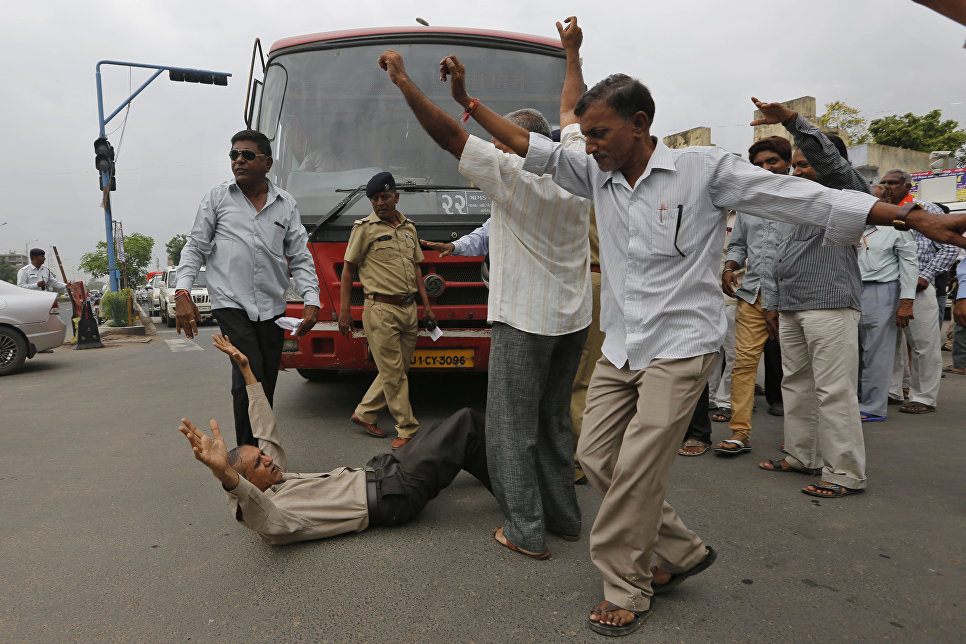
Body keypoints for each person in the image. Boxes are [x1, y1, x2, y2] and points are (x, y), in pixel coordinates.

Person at [487, 17, 966, 633]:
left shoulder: (703, 170)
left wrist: (908, 216)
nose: (592, 144)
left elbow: (803, 199)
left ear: (640, 125)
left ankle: (626, 585)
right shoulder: (595, 171)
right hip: (624, 346)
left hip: (681, 347)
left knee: (634, 470)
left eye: (601, 133)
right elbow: (534, 147)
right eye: (587, 135)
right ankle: (683, 550)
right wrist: (468, 102)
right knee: (596, 455)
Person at [378, 19, 592, 561]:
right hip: (573, 320)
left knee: (509, 429)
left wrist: (405, 83)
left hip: (524, 321)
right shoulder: (579, 161)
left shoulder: (513, 175)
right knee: (553, 424)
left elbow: (449, 136)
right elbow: (572, 107)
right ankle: (565, 519)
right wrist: (571, 53)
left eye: (499, 142)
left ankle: (525, 530)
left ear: (519, 144)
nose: (492, 150)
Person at [178, 334, 491, 544]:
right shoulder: (273, 519)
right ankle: (528, 500)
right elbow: (249, 500)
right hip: (395, 493)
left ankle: (512, 478)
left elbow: (266, 428)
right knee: (465, 424)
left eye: (261, 455)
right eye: (258, 463)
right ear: (247, 481)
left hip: (384, 470)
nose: (267, 458)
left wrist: (246, 370)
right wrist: (223, 473)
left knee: (442, 431)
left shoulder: (278, 480)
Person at [750, 101, 870, 499]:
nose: (797, 171)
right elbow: (772, 252)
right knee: (796, 384)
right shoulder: (793, 201)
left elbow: (832, 166)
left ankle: (845, 473)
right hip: (791, 304)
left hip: (830, 304)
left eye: (804, 164)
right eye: (795, 165)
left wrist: (791, 122)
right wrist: (772, 302)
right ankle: (803, 456)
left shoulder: (848, 193)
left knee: (834, 390)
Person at [176, 130, 321, 447]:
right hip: (231, 304)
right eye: (233, 155)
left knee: (265, 381)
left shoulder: (285, 204)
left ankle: (262, 448)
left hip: (272, 309)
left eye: (247, 155)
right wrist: (182, 292)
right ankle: (246, 458)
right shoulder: (217, 198)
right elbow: (195, 247)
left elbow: (299, 255)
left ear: (267, 163)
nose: (238, 160)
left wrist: (312, 299)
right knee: (248, 371)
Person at [339, 171, 437, 449]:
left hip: (408, 310)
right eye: (373, 199)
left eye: (384, 197)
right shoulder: (364, 229)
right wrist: (345, 311)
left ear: (396, 196)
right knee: (394, 373)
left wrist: (426, 308)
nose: (379, 203)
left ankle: (365, 412)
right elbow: (348, 270)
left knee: (396, 371)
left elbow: (418, 269)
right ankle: (407, 427)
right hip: (380, 309)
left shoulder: (409, 228)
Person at [716, 138, 791, 455]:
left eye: (772, 161)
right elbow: (739, 245)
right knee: (743, 366)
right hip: (753, 295)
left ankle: (802, 438)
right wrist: (730, 266)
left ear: (787, 163)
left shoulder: (802, 198)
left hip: (793, 299)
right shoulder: (749, 202)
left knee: (797, 369)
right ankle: (740, 433)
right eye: (759, 164)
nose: (765, 168)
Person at [880, 169, 957, 414]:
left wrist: (926, 275)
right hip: (884, 286)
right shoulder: (878, 211)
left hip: (917, 289)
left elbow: (949, 246)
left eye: (892, 182)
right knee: (888, 344)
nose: (887, 187)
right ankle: (892, 390)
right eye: (883, 182)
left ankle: (923, 397)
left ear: (908, 186)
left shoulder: (923, 209)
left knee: (924, 344)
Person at [856, 195, 918, 421]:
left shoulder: (896, 227)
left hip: (882, 290)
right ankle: (853, 401)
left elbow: (909, 263)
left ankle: (872, 407)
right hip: (850, 290)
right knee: (851, 351)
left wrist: (906, 300)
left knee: (877, 351)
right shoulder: (852, 225)